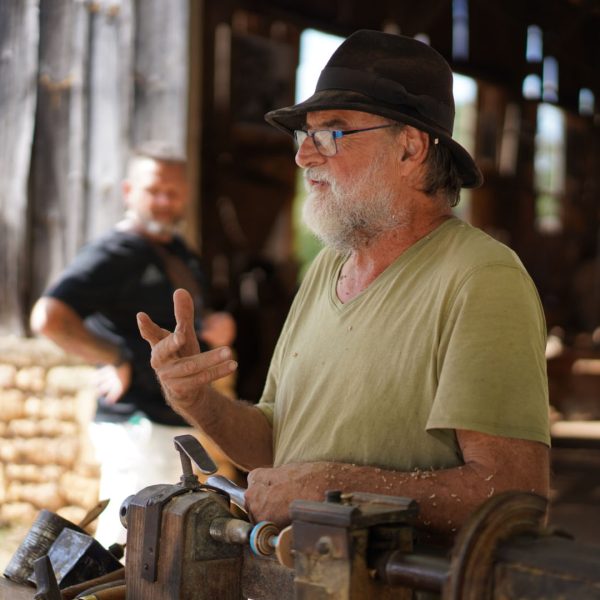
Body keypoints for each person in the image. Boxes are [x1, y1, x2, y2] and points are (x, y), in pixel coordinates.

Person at [137, 31, 550, 539]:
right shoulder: (326, 272)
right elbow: (276, 448)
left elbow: (514, 494)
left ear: (410, 147)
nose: (304, 157)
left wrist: (334, 486)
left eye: (331, 133)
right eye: (303, 135)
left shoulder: (480, 278)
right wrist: (196, 398)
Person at [30, 142, 236, 547]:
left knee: (177, 551)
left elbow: (184, 319)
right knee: (133, 546)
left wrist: (214, 326)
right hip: (137, 425)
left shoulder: (177, 252)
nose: (164, 201)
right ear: (128, 191)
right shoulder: (114, 252)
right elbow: (49, 317)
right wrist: (116, 356)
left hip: (177, 422)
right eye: (153, 189)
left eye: (173, 192)